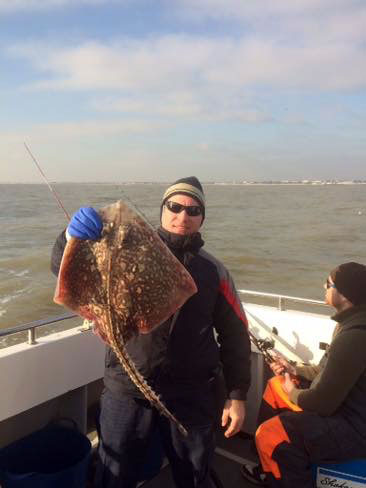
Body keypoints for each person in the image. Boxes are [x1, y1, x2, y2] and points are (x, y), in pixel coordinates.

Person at [51, 176, 251, 488]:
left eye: (193, 209)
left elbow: (235, 333)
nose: (182, 215)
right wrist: (68, 237)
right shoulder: (125, 247)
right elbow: (63, 266)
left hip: (191, 393)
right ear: (162, 209)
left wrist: (237, 395)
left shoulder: (214, 271)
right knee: (114, 473)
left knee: (194, 474)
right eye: (175, 206)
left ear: (202, 218)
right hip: (125, 386)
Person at [240, 262, 366, 487]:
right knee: (275, 386)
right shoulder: (349, 324)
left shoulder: (354, 336)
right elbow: (323, 370)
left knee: (271, 433)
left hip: (355, 428)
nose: (323, 286)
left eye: (328, 283)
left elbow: (322, 403)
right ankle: (266, 465)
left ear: (345, 294)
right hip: (345, 409)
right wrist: (293, 370)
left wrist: (293, 391)